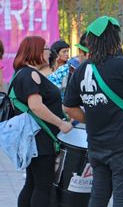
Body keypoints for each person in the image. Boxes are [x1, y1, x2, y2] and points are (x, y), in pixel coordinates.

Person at [63, 16, 123, 206]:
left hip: (97, 146)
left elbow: (68, 107)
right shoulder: (120, 65)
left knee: (98, 196)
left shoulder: (81, 70)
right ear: (114, 40)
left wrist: (93, 119)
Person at [11, 36, 73, 207]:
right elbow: (36, 106)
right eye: (46, 48)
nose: (49, 52)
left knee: (32, 183)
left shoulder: (22, 73)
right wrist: (61, 123)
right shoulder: (31, 74)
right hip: (41, 139)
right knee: (42, 186)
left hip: (34, 138)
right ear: (36, 51)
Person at [48, 33, 89, 100]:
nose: (67, 54)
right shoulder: (47, 68)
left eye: (68, 51)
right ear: (56, 53)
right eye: (64, 52)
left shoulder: (71, 67)